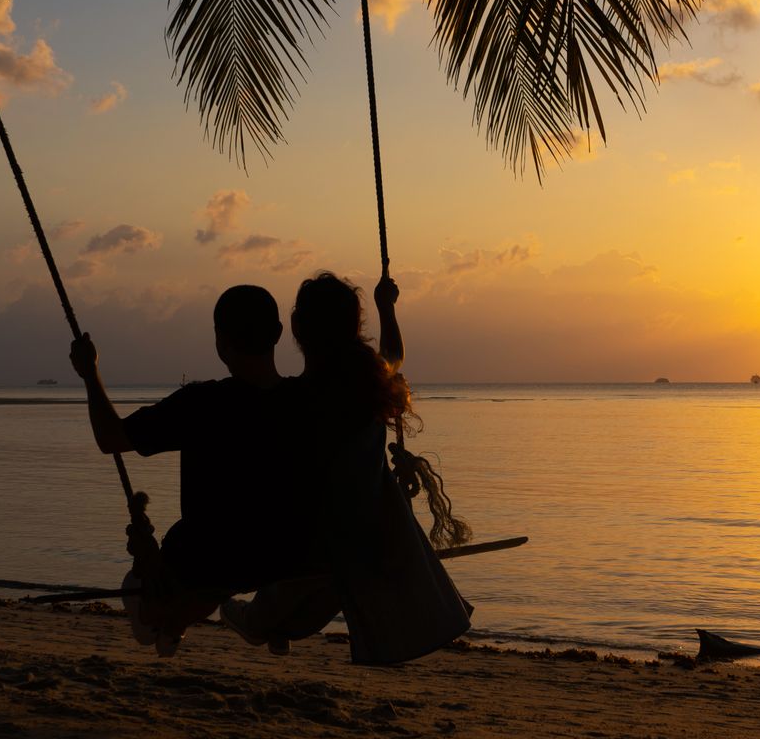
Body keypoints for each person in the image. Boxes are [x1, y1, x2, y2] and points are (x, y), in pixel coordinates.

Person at [219, 272, 471, 665]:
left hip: (318, 540)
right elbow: (393, 353)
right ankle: (275, 625)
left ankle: (262, 622)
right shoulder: (370, 389)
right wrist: (386, 306)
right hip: (366, 537)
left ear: (298, 330)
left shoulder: (296, 399)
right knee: (312, 591)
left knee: (279, 595)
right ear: (355, 329)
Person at [70, 285, 315, 656]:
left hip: (207, 559)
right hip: (275, 557)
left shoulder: (202, 404)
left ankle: (164, 616)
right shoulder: (305, 403)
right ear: (279, 334)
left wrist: (90, 374)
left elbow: (110, 437)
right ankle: (186, 620)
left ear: (220, 342)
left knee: (171, 583)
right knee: (220, 567)